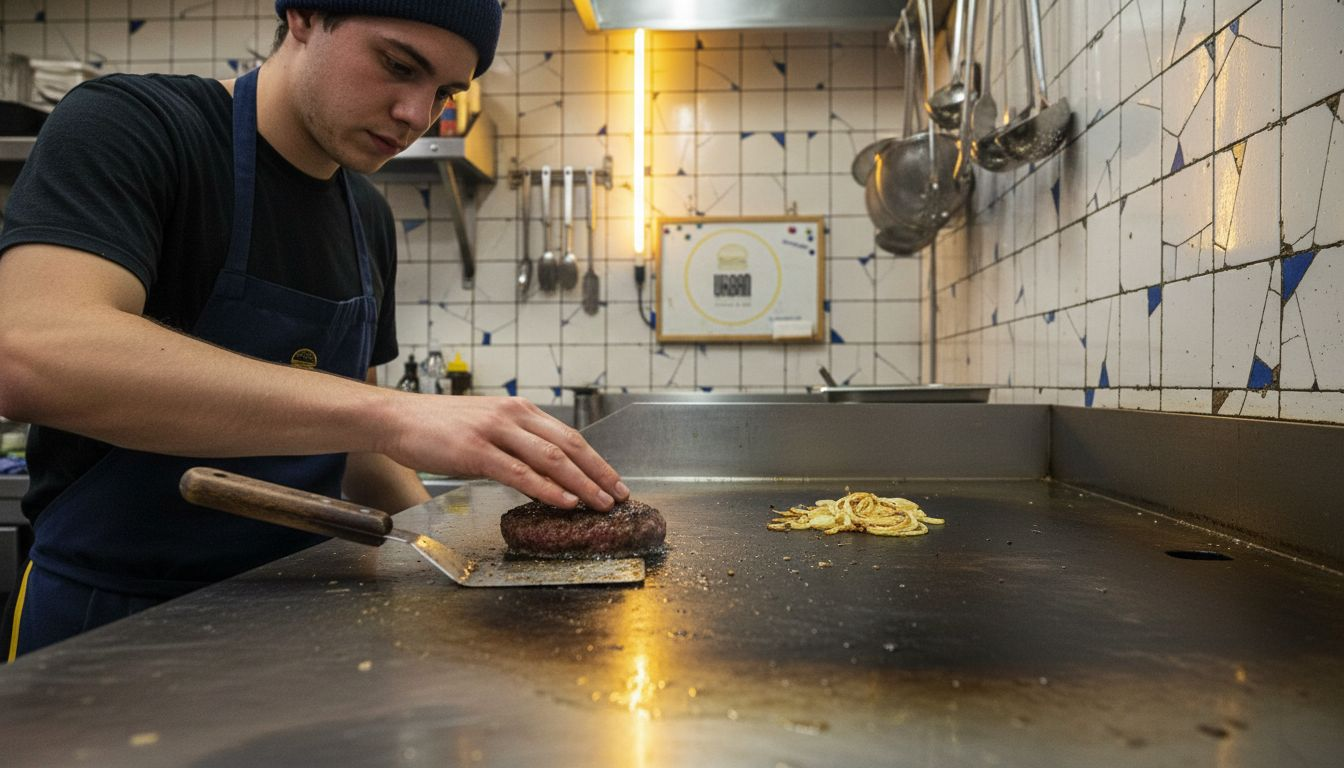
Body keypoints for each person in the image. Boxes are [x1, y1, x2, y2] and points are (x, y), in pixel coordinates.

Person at [0, 0, 628, 660]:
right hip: (108, 626)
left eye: (444, 90)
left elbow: (356, 446)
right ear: (303, 15)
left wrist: (446, 547)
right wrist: (397, 414)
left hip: (303, 625)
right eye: (396, 64)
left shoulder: (367, 215)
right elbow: (34, 354)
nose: (416, 114)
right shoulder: (133, 127)